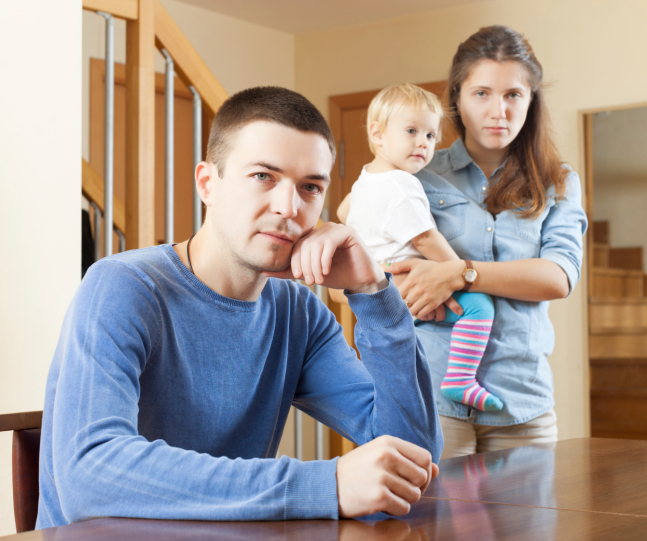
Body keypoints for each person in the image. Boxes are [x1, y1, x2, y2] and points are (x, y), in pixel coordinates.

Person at [36, 87, 443, 528]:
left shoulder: (298, 314)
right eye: (263, 177)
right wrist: (325, 485)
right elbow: (90, 477)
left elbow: (413, 455)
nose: (289, 208)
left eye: (310, 187)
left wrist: (374, 293)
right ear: (208, 183)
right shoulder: (123, 286)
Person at [386, 26, 588, 457]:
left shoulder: (559, 181)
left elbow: (557, 276)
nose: (499, 110)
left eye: (514, 94)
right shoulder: (414, 175)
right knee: (431, 526)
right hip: (434, 401)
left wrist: (459, 273)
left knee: (533, 526)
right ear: (457, 97)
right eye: (482, 93)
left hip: (523, 405)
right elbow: (364, 230)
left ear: (531, 100)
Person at [335, 83, 503, 412]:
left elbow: (344, 214)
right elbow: (424, 238)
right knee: (480, 306)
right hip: (406, 278)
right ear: (378, 134)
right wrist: (456, 272)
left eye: (430, 136)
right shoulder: (403, 183)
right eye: (411, 131)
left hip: (380, 284)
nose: (422, 144)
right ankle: (460, 379)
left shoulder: (365, 179)